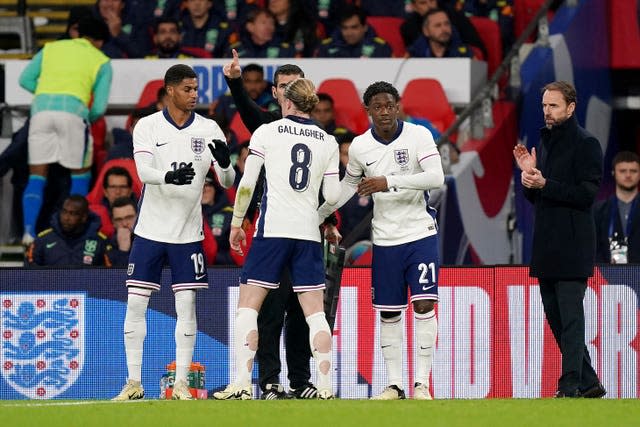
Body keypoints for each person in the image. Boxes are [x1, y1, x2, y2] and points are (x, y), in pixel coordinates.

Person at [112, 64, 235, 401]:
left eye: (196, 89)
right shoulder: (148, 126)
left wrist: (225, 164)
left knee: (187, 306)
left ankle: (181, 383)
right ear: (170, 90)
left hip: (188, 233)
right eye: (187, 89)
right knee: (135, 305)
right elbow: (142, 171)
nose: (194, 95)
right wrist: (168, 177)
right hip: (150, 231)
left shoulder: (210, 128)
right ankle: (134, 383)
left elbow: (227, 181)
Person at [213, 78, 340, 400]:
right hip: (308, 234)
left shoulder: (267, 132)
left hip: (272, 231)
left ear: (285, 101)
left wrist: (237, 223)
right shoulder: (327, 141)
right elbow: (335, 195)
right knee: (314, 313)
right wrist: (318, 214)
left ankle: (241, 384)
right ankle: (325, 388)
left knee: (248, 308)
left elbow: (247, 184)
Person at [318, 81, 444, 400]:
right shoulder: (361, 146)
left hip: (419, 233)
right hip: (386, 239)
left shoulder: (419, 135)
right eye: (378, 107)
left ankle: (422, 383)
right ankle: (395, 383)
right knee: (389, 312)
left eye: (390, 105)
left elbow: (436, 177)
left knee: (425, 303)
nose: (385, 112)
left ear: (398, 106)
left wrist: (387, 181)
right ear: (368, 111)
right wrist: (317, 213)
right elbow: (349, 185)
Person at [513, 81, 606, 398]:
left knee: (570, 318)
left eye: (553, 105)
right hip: (547, 243)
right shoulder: (544, 141)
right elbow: (539, 196)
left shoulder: (587, 144)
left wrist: (545, 183)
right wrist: (529, 179)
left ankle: (569, 385)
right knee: (555, 318)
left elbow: (586, 195)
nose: (547, 111)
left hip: (573, 243)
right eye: (543, 105)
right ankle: (590, 381)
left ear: (571, 107)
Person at [19, 16, 112, 246]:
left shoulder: (51, 48)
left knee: (36, 176)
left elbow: (25, 79)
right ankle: (77, 233)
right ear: (99, 41)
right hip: (73, 115)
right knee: (80, 175)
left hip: (40, 114)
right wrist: (83, 117)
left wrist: (45, 97)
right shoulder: (102, 60)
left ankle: (28, 233)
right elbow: (99, 107)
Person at [25, 195, 112, 267]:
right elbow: (29, 270)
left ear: (84, 217)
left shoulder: (100, 241)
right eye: (64, 212)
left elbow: (111, 274)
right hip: (50, 287)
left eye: (72, 214)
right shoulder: (43, 240)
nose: (66, 218)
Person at [594, 151, 640, 263]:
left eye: (633, 171)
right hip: (607, 275)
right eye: (623, 171)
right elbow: (593, 246)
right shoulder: (598, 210)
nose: (628, 175)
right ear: (613, 173)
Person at [316, 5, 392, 58]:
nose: (349, 33)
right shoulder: (326, 48)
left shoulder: (380, 48)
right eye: (345, 28)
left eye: (354, 27)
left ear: (365, 27)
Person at [213, 63, 279, 124]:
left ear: (264, 83)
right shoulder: (226, 101)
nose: (253, 87)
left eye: (257, 81)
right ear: (242, 82)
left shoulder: (273, 102)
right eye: (248, 81)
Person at [226, 8, 296, 58]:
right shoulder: (235, 50)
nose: (269, 27)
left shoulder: (284, 50)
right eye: (263, 23)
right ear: (250, 27)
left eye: (272, 23)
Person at [406, 8, 476, 58]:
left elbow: (478, 75)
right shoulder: (415, 53)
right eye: (438, 25)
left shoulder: (464, 53)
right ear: (426, 31)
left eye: (447, 24)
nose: (444, 29)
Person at [109, 197, 138, 266]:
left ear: (138, 217)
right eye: (119, 220)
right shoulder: (108, 246)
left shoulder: (151, 243)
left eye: (129, 217)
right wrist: (123, 250)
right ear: (113, 223)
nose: (124, 224)